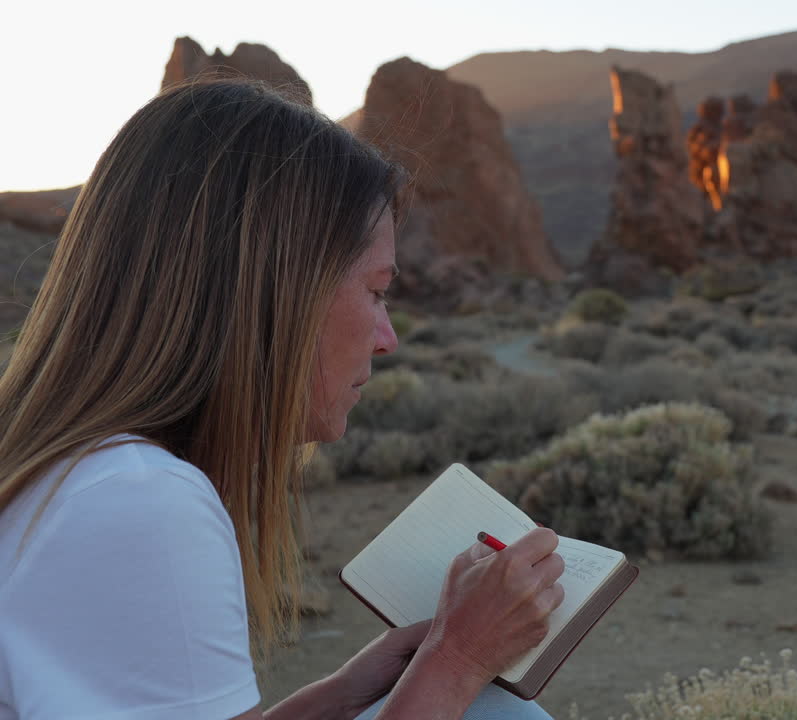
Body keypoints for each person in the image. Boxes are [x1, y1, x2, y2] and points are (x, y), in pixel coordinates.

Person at [0, 78, 565, 719]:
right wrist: (459, 659)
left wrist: (346, 692)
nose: (388, 339)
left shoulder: (81, 474)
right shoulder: (141, 501)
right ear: (277, 294)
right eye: (377, 292)